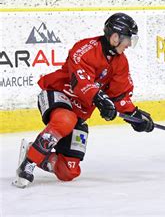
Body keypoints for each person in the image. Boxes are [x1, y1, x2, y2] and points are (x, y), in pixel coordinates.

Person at [12, 13, 155, 188]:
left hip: (80, 111)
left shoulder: (121, 63)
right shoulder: (85, 48)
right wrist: (99, 98)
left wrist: (134, 115)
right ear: (115, 36)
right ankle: (28, 163)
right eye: (127, 39)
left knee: (69, 171)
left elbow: (120, 95)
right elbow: (80, 82)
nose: (128, 45)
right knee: (65, 120)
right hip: (58, 94)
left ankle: (33, 149)